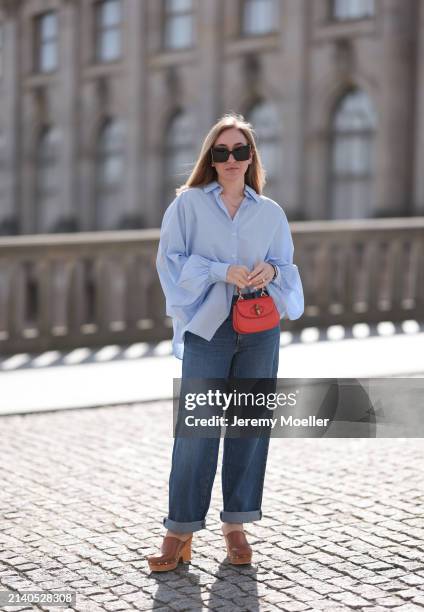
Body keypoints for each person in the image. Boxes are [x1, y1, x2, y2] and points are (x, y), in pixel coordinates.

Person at [147, 112, 304, 571]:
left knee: (249, 428)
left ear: (251, 156)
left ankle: (236, 525)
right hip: (209, 329)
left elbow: (287, 268)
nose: (232, 159)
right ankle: (178, 530)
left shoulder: (270, 212)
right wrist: (220, 271)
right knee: (196, 433)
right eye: (222, 151)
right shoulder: (187, 205)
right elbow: (169, 264)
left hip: (259, 330)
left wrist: (270, 271)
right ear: (211, 159)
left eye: (240, 150)